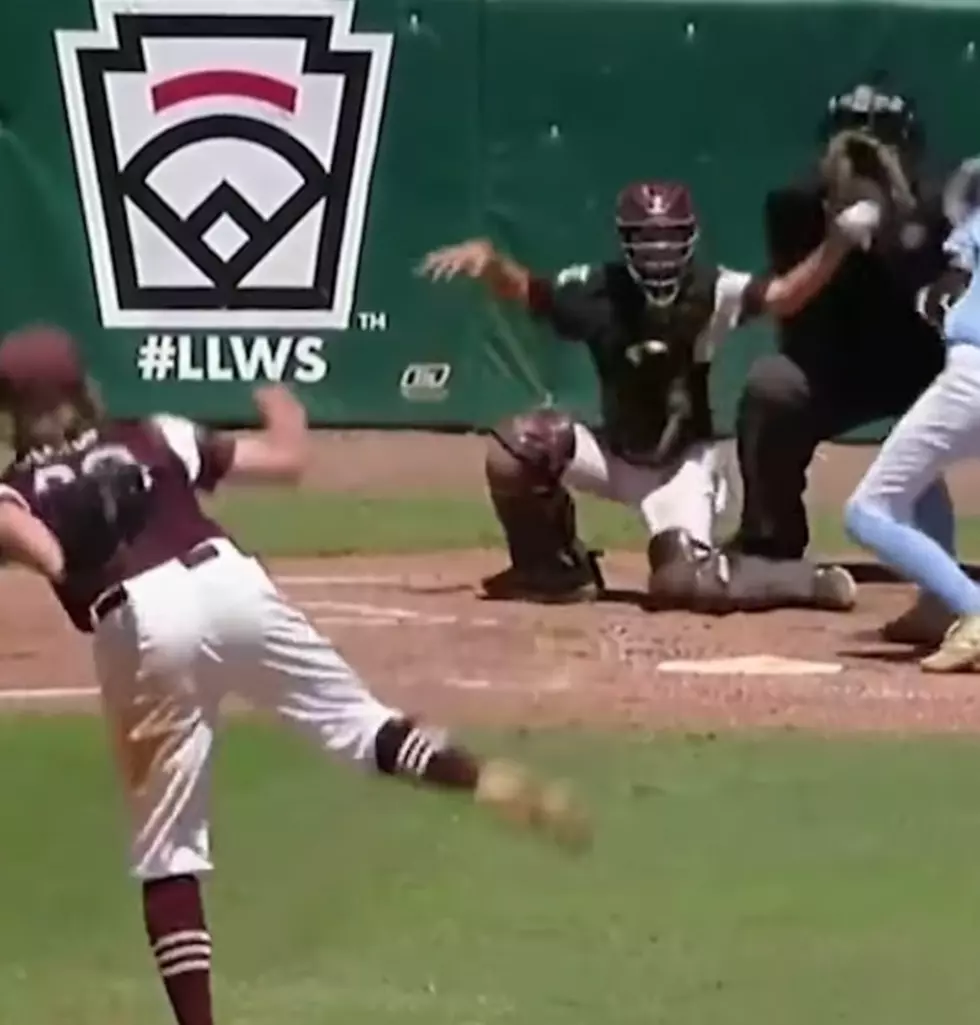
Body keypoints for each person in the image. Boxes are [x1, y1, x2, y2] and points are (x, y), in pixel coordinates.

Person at [0, 325, 588, 1025]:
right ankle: (480, 777)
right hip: (233, 584)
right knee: (364, 727)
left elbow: (39, 548)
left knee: (169, 853)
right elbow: (286, 458)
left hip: (143, 623)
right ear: (80, 387)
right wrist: (281, 401)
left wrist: (56, 552)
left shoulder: (16, 486)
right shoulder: (151, 432)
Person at [419, 180, 877, 614]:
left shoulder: (711, 289)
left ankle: (804, 581)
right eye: (646, 239)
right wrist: (491, 261)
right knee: (516, 446)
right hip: (614, 453)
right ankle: (554, 571)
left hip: (680, 464)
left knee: (681, 583)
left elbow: (783, 296)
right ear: (625, 241)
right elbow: (530, 291)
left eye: (669, 238)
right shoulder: (598, 289)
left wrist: (834, 244)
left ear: (691, 238)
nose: (659, 252)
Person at [730, 78, 958, 640]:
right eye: (849, 143)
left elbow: (946, 302)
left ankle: (946, 590)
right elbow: (791, 305)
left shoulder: (943, 210)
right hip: (832, 368)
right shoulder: (795, 206)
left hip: (930, 371)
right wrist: (835, 242)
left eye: (877, 145)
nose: (861, 158)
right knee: (771, 385)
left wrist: (896, 237)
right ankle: (772, 543)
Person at [845, 158, 980, 671]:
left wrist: (878, 238)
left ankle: (971, 608)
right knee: (919, 478)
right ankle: (938, 602)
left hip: (973, 377)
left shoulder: (971, 227)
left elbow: (940, 298)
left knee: (868, 512)